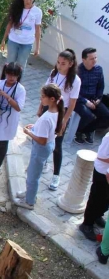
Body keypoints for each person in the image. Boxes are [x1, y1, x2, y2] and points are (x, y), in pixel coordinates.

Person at [15, 84, 64, 210]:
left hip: (42, 147)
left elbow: (42, 140)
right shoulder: (55, 111)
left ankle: (29, 201)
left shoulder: (47, 117)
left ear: (52, 99)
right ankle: (29, 194)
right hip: (48, 145)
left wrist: (28, 132)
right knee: (33, 172)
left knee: (32, 176)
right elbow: (47, 131)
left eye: (43, 96)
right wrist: (36, 127)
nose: (40, 99)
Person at [44, 49, 81, 190]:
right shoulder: (54, 73)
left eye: (63, 63)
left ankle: (56, 175)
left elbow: (72, 103)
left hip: (61, 113)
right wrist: (41, 108)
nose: (59, 66)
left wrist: (65, 120)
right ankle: (44, 163)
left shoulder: (75, 80)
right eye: (58, 62)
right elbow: (46, 91)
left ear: (71, 64)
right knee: (44, 139)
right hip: (49, 109)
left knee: (57, 145)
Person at [0, 62, 26, 179]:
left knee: (3, 143)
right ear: (5, 73)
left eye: (14, 75)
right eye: (9, 75)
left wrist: (6, 96)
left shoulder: (20, 89)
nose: (11, 78)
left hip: (8, 121)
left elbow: (18, 107)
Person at [74, 48, 109, 145]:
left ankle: (87, 130)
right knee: (89, 115)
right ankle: (78, 131)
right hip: (79, 99)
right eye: (91, 58)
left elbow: (100, 86)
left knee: (107, 116)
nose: (94, 60)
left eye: (95, 58)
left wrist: (98, 99)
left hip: (94, 98)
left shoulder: (99, 69)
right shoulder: (77, 71)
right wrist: (85, 102)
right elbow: (73, 91)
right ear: (84, 59)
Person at [79, 132, 109, 241]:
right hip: (102, 172)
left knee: (106, 200)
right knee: (96, 199)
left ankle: (98, 216)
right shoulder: (108, 138)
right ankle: (87, 224)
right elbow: (101, 156)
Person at [0, 0, 42, 69]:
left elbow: (38, 30)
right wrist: (3, 40)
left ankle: (18, 81)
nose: (28, 1)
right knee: (10, 63)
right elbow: (9, 24)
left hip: (27, 43)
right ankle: (7, 80)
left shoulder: (37, 11)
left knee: (21, 66)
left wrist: (37, 47)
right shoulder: (16, 8)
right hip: (13, 40)